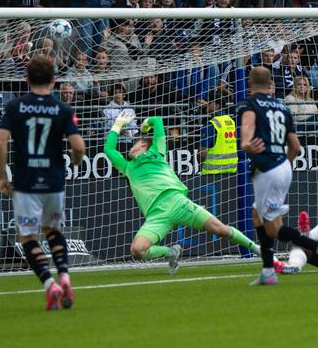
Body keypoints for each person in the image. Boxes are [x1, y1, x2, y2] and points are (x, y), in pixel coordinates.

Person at [105, 111, 261, 272]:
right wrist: (117, 125)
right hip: (156, 216)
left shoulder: (157, 153)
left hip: (178, 203)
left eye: (134, 144)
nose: (131, 147)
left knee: (221, 230)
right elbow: (109, 150)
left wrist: (145, 124)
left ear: (143, 145)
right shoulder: (128, 167)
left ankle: (256, 249)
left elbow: (157, 120)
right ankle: (170, 252)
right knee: (137, 250)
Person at [0, 56, 86, 310]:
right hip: (54, 182)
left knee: (28, 237)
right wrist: (76, 160)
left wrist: (3, 176)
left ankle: (50, 284)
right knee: (53, 231)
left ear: (27, 80)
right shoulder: (62, 109)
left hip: (26, 183)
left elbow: (0, 142)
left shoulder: (15, 106)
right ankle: (65, 276)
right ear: (54, 81)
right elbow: (78, 146)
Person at [237, 66, 318, 285]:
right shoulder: (282, 108)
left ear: (250, 83)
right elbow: (296, 147)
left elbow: (246, 135)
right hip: (283, 168)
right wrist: (284, 164)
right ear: (270, 83)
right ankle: (267, 272)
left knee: (273, 227)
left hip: (267, 170)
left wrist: (246, 145)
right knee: (258, 215)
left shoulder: (249, 104)